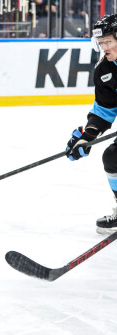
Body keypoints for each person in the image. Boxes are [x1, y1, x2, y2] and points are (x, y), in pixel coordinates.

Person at [65, 14, 117, 233]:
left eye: (108, 41)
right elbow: (104, 110)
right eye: (101, 42)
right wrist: (88, 136)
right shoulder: (104, 70)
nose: (104, 46)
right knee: (113, 157)